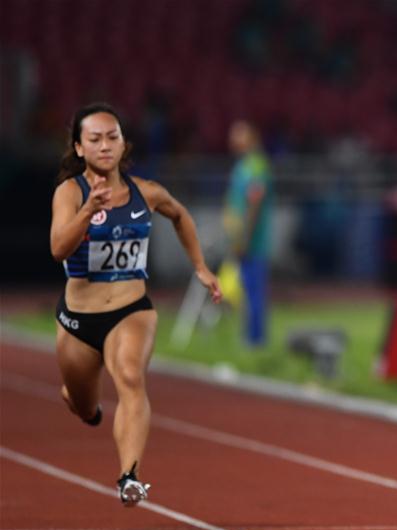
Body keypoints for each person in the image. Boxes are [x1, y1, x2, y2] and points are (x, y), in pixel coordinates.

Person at [50, 103, 221, 506]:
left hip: (131, 310)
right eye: (95, 139)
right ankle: (79, 401)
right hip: (78, 321)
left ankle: (130, 476)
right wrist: (88, 211)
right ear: (79, 148)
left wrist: (200, 266)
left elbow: (180, 215)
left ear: (124, 143)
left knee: (130, 376)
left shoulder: (147, 191)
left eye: (112, 137)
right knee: (84, 406)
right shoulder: (70, 192)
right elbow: (58, 249)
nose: (105, 146)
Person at [223, 120, 274, 347]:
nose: (233, 140)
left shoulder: (256, 165)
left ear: (252, 138)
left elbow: (254, 203)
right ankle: (249, 335)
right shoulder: (242, 166)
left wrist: (245, 237)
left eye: (239, 135)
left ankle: (256, 339)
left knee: (253, 290)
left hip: (253, 241)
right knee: (244, 289)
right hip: (240, 239)